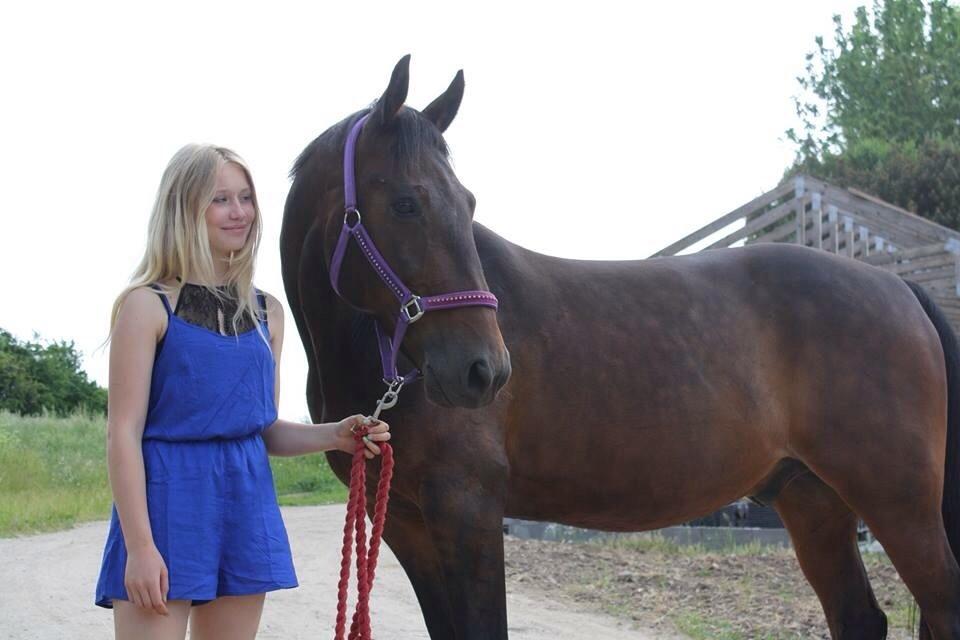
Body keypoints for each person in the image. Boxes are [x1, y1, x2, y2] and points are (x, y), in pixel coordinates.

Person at [94, 144, 390, 639]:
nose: (240, 212)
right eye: (221, 199)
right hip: (167, 503)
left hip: (244, 503)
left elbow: (263, 428)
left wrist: (335, 435)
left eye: (246, 198)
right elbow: (122, 434)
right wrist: (140, 547)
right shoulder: (145, 307)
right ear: (184, 210)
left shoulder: (267, 312)